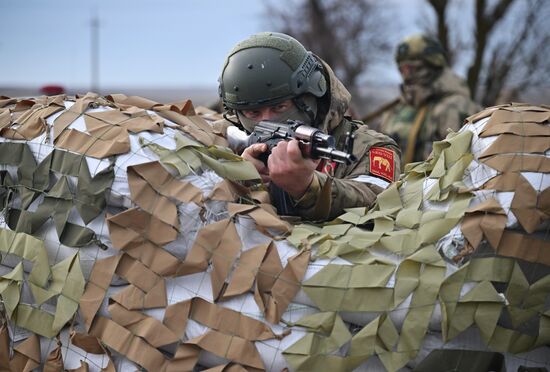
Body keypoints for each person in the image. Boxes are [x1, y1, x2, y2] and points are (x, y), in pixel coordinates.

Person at [217, 32, 401, 221]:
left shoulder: (368, 147)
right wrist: (238, 177)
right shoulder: (223, 137)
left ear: (312, 97)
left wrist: (307, 186)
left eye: (280, 107)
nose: (267, 121)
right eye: (253, 113)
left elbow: (377, 201)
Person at [379, 34, 480, 165]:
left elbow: (458, 167)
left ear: (431, 67)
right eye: (402, 69)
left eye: (410, 68)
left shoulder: (455, 108)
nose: (406, 76)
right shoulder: (396, 110)